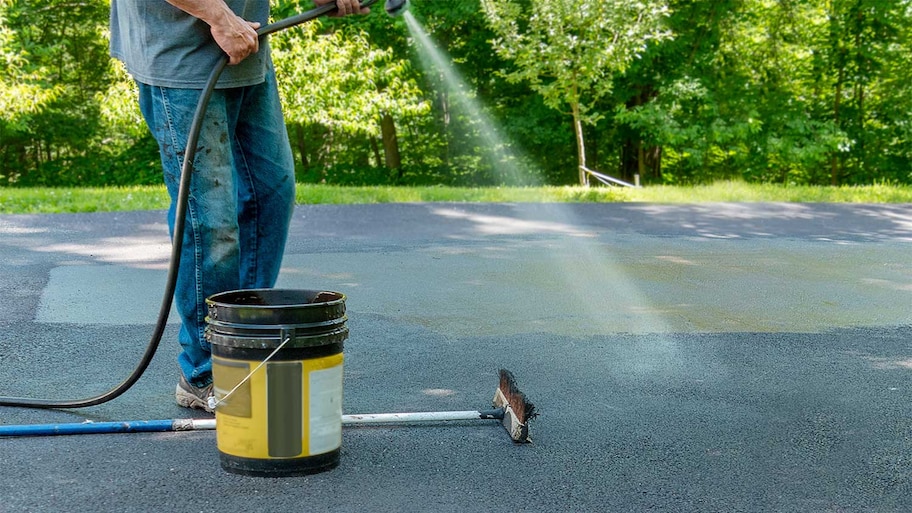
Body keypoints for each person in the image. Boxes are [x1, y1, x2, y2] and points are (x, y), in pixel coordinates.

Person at [109, 0, 368, 412]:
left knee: (271, 194)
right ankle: (205, 371)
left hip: (245, 49)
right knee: (210, 224)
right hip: (182, 57)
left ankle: (245, 349)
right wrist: (218, 16)